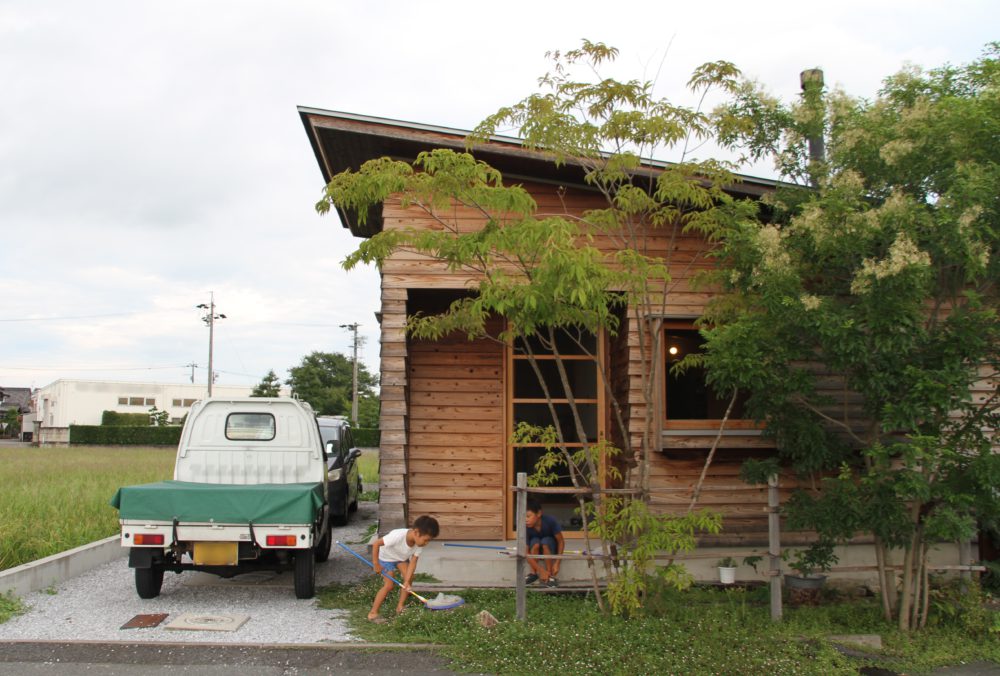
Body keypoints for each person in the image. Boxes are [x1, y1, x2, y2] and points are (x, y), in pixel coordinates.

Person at [367, 515, 440, 623]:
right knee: (389, 585)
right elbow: (376, 544)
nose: (426, 543)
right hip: (386, 558)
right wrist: (375, 564)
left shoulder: (419, 544)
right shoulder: (397, 535)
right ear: (416, 532)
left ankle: (400, 607)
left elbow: (413, 563)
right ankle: (373, 613)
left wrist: (406, 581)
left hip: (401, 559)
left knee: (409, 579)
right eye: (426, 540)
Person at [524, 499, 564, 587]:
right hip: (536, 548)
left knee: (546, 541)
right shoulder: (525, 527)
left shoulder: (550, 521)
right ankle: (533, 573)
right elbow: (526, 553)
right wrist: (540, 571)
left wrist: (557, 563)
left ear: (538, 513)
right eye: (523, 517)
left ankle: (549, 575)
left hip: (550, 548)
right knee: (535, 542)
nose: (525, 520)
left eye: (528, 516)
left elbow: (561, 541)